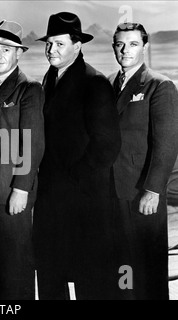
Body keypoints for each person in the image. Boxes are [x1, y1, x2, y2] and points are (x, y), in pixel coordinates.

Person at [33, 12, 121, 300]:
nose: (51, 50)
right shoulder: (49, 77)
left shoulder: (93, 82)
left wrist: (73, 179)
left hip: (85, 201)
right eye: (49, 44)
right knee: (50, 275)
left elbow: (107, 145)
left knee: (91, 280)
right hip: (51, 199)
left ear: (77, 46)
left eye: (59, 44)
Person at [109, 22, 178, 300]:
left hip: (143, 194)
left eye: (133, 44)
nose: (126, 50)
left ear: (145, 48)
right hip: (113, 193)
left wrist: (153, 190)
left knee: (149, 269)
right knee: (122, 266)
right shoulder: (109, 84)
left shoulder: (159, 86)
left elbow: (167, 144)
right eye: (120, 44)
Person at [0, 20, 44, 299]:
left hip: (10, 192)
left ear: (18, 53)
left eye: (5, 50)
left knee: (16, 267)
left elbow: (32, 143)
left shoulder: (28, 89)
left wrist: (21, 189)